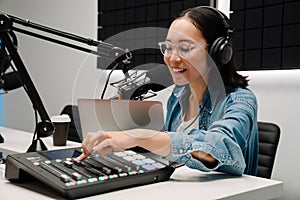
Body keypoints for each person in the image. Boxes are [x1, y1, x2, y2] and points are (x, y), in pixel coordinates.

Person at [75, 6, 258, 176]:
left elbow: (220, 147)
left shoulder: (241, 100)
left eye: (185, 48)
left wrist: (139, 136)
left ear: (218, 52)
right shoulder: (179, 95)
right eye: (168, 47)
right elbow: (169, 153)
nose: (172, 58)